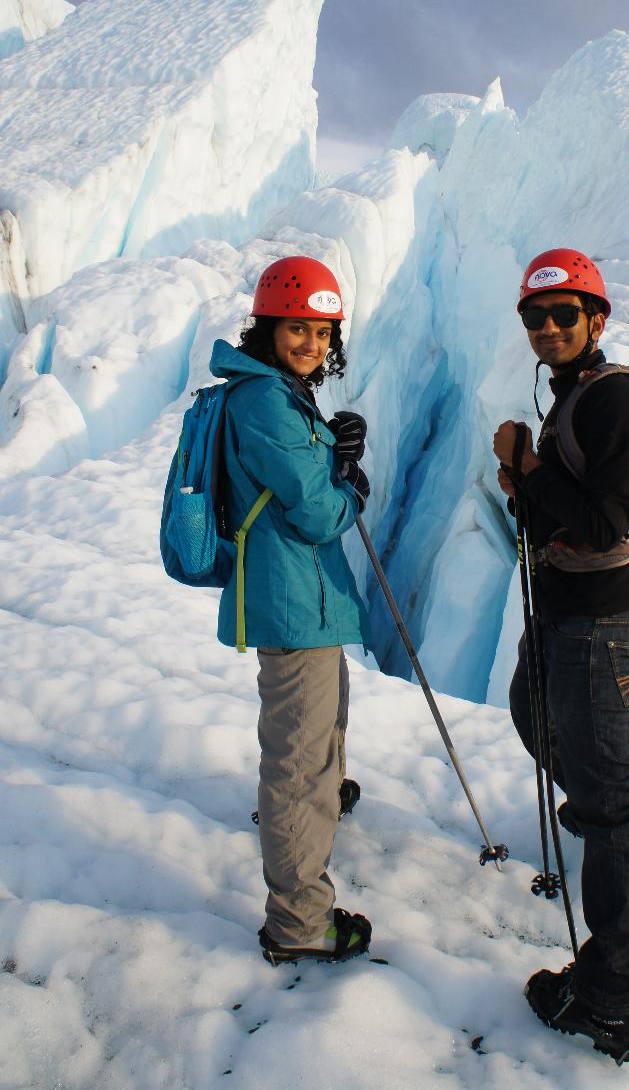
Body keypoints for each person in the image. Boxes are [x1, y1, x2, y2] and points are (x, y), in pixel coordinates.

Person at [492, 248, 629, 1063]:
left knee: (602, 797)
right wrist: (523, 482)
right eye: (536, 316)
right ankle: (608, 826)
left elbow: (603, 524)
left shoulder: (615, 401)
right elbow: (564, 510)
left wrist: (527, 468)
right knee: (534, 718)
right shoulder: (571, 399)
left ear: (597, 319)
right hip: (565, 614)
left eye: (564, 314)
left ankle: (607, 999)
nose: (549, 328)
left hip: (601, 624)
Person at [209, 254, 373, 965]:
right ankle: (300, 922)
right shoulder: (265, 401)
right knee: (297, 760)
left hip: (305, 596)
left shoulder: (278, 392)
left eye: (322, 333)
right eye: (297, 329)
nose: (310, 344)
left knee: (317, 740)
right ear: (268, 327)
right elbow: (314, 511)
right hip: (291, 594)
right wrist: (352, 484)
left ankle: (315, 809)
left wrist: (331, 451)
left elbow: (298, 479)